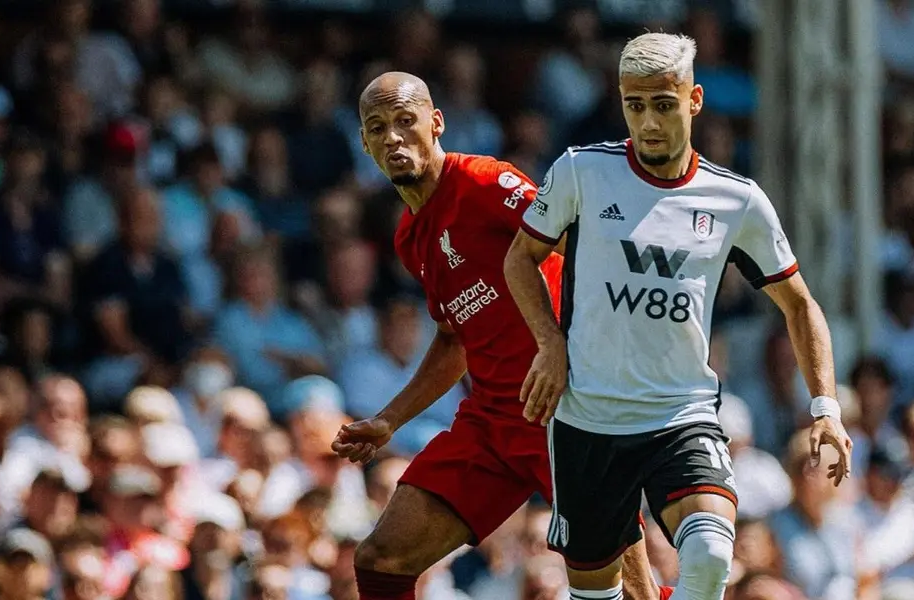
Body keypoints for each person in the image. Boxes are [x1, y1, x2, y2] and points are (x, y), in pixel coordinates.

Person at [503, 32, 854, 600]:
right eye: (634, 105)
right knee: (597, 595)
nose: (647, 122)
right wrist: (549, 342)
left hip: (680, 415)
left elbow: (801, 305)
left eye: (662, 105)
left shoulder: (736, 199)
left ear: (693, 100)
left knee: (713, 556)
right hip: (589, 419)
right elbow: (520, 258)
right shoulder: (580, 173)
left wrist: (826, 407)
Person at [328, 72, 666, 600]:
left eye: (404, 121)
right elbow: (452, 339)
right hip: (492, 423)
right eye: (377, 128)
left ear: (435, 123)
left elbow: (587, 244)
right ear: (365, 144)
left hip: (566, 408)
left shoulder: (485, 183)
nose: (393, 137)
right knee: (382, 559)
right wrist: (390, 418)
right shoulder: (409, 238)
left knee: (632, 589)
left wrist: (574, 350)